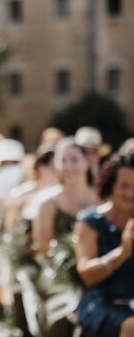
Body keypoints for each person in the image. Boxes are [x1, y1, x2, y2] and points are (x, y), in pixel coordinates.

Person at [75, 154, 134, 337]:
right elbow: (86, 275)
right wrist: (121, 254)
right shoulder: (91, 222)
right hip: (102, 303)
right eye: (124, 186)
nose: (130, 193)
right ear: (110, 185)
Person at [33, 138, 98, 255]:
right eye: (63, 161)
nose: (68, 166)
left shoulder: (101, 199)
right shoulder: (48, 202)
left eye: (74, 160)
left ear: (87, 162)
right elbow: (44, 248)